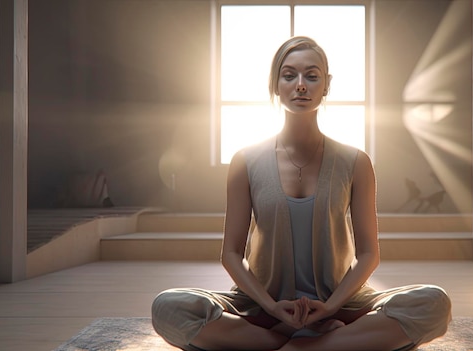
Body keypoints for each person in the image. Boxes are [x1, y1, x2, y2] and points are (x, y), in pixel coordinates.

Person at [152, 36, 451, 351]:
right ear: (275, 84)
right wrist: (270, 306)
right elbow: (230, 255)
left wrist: (332, 306)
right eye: (289, 75)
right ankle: (321, 342)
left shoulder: (356, 162)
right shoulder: (246, 161)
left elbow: (368, 255)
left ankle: (293, 345)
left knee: (432, 302)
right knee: (169, 307)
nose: (301, 85)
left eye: (312, 75)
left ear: (326, 85)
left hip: (341, 303)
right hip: (262, 306)